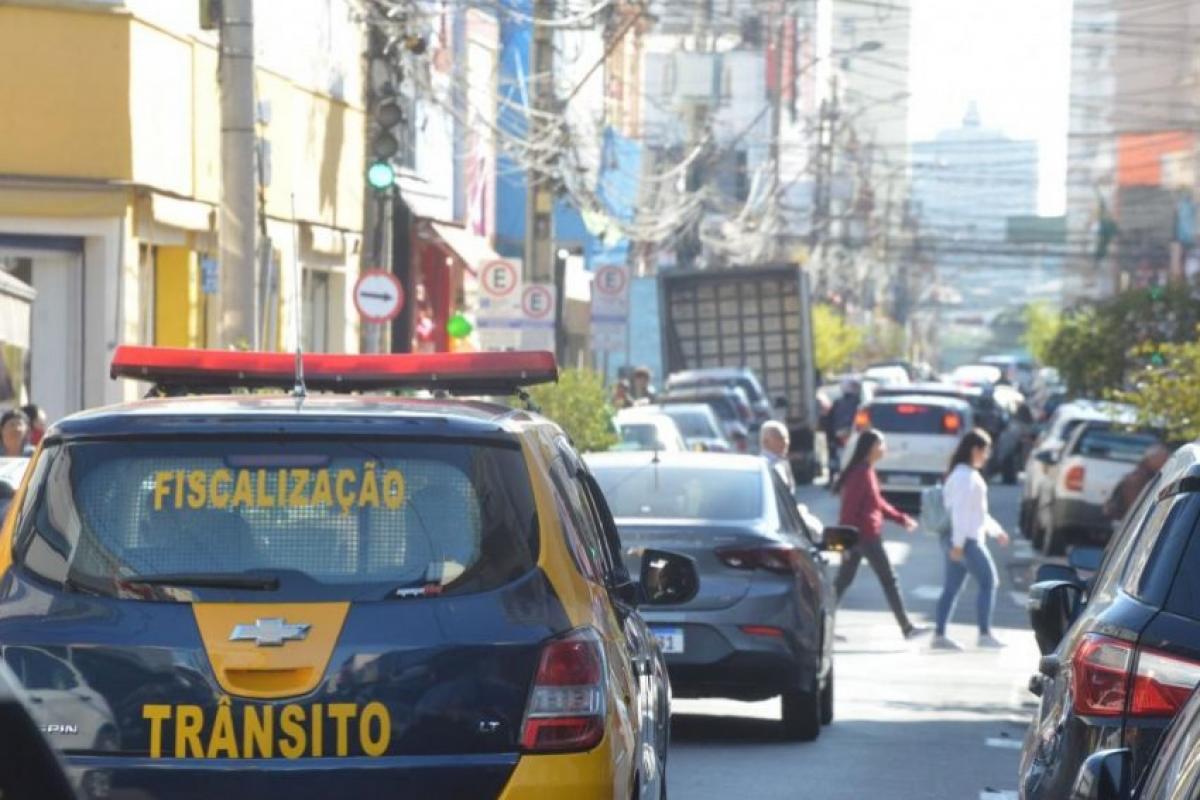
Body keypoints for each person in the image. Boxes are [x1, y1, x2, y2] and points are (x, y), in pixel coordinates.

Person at [832, 429, 927, 640]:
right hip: (864, 536)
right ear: (872, 447)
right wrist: (843, 543)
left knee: (842, 581)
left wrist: (901, 519)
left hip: (859, 535)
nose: (885, 449)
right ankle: (907, 628)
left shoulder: (866, 471)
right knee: (888, 579)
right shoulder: (860, 473)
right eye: (882, 444)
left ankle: (822, 627)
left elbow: (878, 503)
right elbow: (848, 510)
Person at [933, 429, 1010, 651]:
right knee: (989, 582)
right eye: (986, 451)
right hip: (966, 541)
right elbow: (960, 513)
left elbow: (977, 513)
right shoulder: (965, 477)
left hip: (960, 539)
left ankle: (939, 635)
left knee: (951, 587)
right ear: (975, 450)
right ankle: (984, 634)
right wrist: (958, 545)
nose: (987, 456)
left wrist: (996, 531)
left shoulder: (963, 475)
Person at [1104, 443, 1171, 523]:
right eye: (1164, 459)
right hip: (1129, 523)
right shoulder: (1137, 480)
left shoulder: (1151, 476)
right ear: (1151, 459)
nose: (1166, 462)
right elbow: (1135, 509)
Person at [827, 379, 862, 484]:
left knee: (838, 458)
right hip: (850, 435)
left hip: (840, 435)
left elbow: (830, 421)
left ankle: (835, 479)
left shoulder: (838, 402)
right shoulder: (858, 402)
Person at [760, 420, 795, 491]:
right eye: (780, 438)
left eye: (787, 438)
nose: (786, 442)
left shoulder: (783, 462)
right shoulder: (762, 466)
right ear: (765, 441)